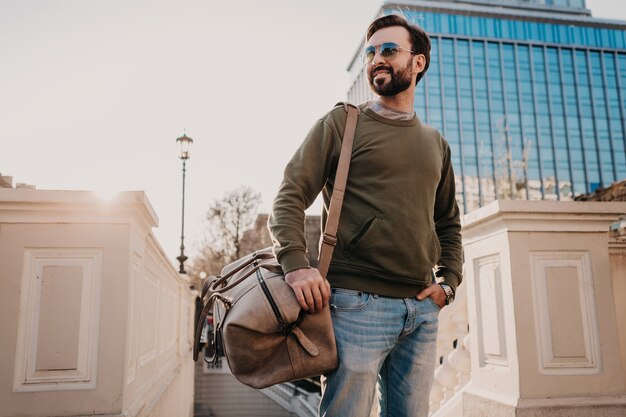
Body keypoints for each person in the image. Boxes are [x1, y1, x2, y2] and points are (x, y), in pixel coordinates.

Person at [268, 13, 463, 417]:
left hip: (421, 310)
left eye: (389, 50)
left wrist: (449, 282)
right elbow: (290, 194)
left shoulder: (436, 144)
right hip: (354, 307)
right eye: (372, 52)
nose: (377, 58)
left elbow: (447, 223)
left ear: (418, 62)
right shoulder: (342, 122)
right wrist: (295, 265)